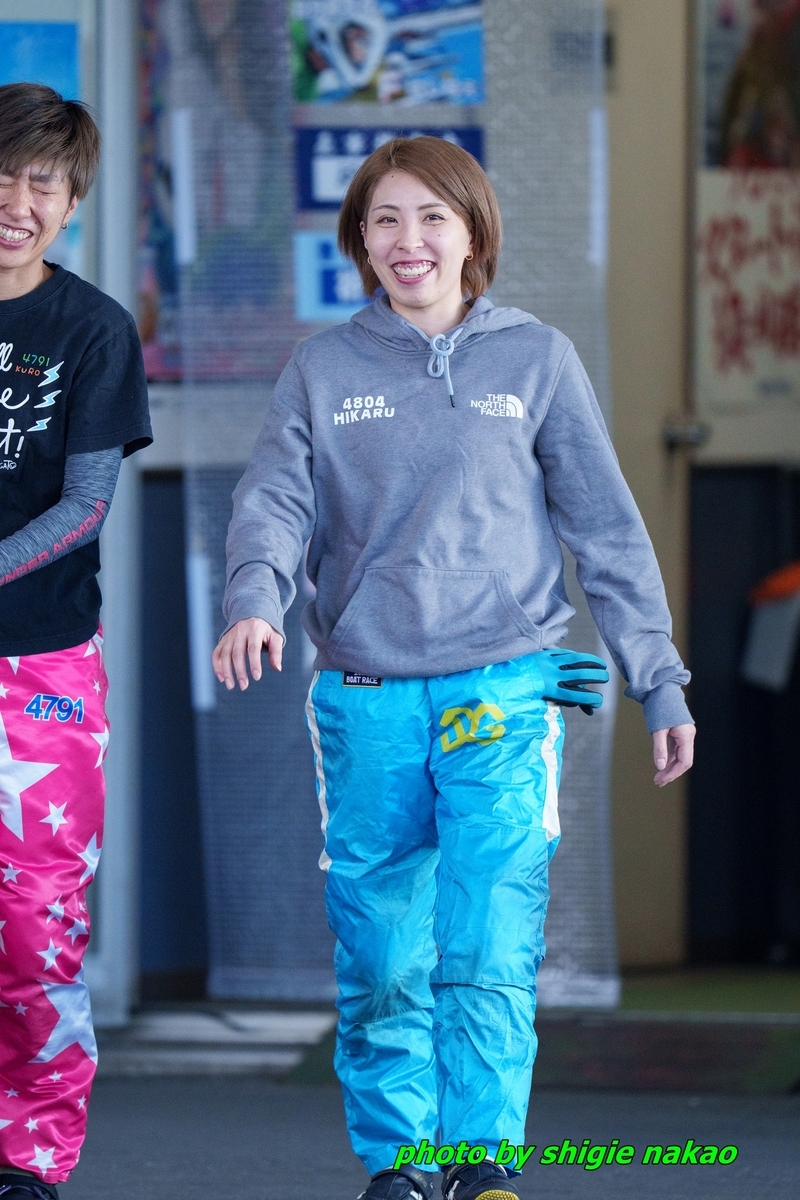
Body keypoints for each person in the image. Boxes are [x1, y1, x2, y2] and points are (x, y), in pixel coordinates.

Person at [213, 137, 694, 1200]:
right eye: (385, 219)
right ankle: (400, 1164)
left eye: (433, 216)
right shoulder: (322, 369)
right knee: (384, 952)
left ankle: (480, 1163)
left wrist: (657, 678)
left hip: (505, 694)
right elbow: (273, 503)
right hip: (365, 698)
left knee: (487, 937)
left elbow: (606, 531)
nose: (409, 240)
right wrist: (253, 598)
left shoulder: (536, 359)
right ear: (359, 239)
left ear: (473, 232)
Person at [0, 84, 152, 1198]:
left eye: (40, 183)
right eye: (0, 177)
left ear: (71, 201)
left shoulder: (92, 328)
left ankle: (31, 1159)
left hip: (41, 665)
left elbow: (85, 504)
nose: (16, 201)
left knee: (32, 926)